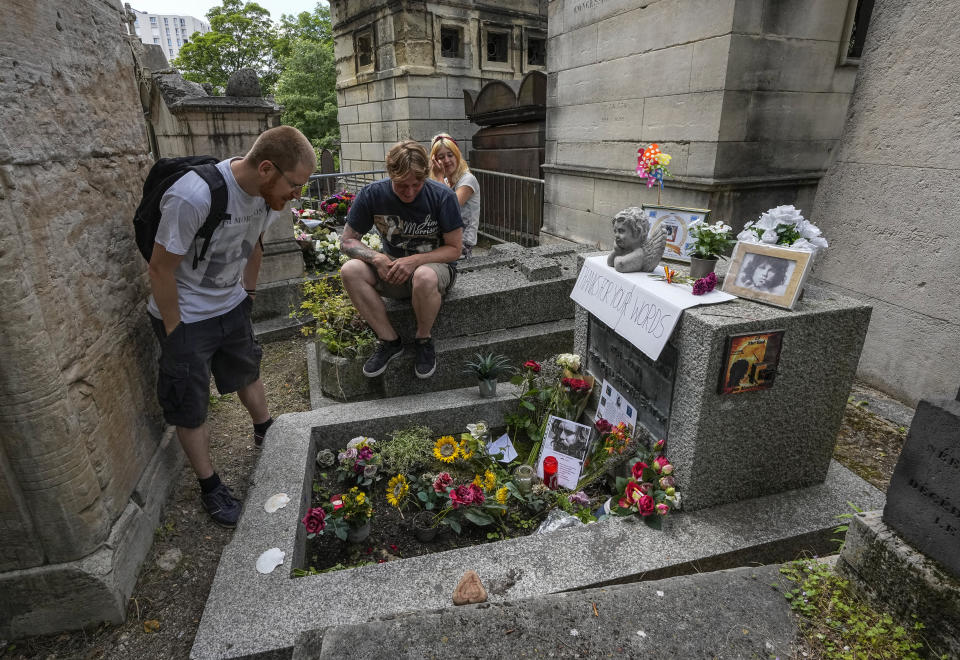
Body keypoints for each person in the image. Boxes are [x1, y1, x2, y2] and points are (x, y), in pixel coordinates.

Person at [147, 125, 317, 527]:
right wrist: (175, 331)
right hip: (186, 316)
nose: (297, 195)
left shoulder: (263, 198)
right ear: (266, 168)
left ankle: (264, 429)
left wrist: (248, 295)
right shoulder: (193, 196)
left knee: (246, 370)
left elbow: (253, 245)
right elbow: (160, 268)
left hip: (231, 306)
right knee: (191, 407)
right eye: (294, 185)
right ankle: (210, 486)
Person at [340, 140, 463, 380]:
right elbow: (347, 241)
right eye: (401, 185)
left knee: (424, 275)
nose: (409, 192)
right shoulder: (372, 194)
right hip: (392, 271)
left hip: (434, 271)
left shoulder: (442, 196)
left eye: (416, 185)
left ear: (426, 177)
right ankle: (389, 340)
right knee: (350, 270)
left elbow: (454, 249)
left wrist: (415, 261)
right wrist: (376, 258)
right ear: (390, 175)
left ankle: (423, 339)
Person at [429, 133, 480, 258]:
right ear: (435, 161)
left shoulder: (468, 179)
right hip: (444, 239)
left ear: (457, 156)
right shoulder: (445, 182)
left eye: (450, 155)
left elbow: (451, 207)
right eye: (441, 157)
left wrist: (439, 177)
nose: (446, 160)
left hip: (462, 244)